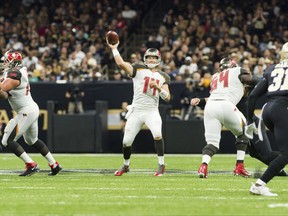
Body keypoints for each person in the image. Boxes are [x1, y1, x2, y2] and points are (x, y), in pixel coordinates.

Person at [106, 38, 171, 177]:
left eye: (154, 58)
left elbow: (168, 97)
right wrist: (114, 48)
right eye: (149, 58)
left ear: (158, 59)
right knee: (126, 141)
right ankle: (126, 165)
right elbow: (121, 63)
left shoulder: (163, 76)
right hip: (136, 110)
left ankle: (161, 164)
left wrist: (159, 88)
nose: (152, 60)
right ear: (145, 58)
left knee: (157, 134)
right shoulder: (138, 69)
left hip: (152, 110)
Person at [190, 57, 259, 178]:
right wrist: (267, 80)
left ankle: (203, 166)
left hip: (211, 107)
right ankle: (239, 167)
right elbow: (252, 79)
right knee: (245, 132)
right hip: (226, 105)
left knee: (212, 143)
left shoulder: (215, 76)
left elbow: (216, 96)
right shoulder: (237, 71)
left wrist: (200, 100)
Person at [0, 50, 62, 176]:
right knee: (31, 140)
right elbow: (4, 95)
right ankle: (54, 165)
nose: (4, 63)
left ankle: (31, 164)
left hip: (26, 111)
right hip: (31, 109)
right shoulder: (18, 71)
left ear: (12, 62)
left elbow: (4, 88)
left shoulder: (14, 74)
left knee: (7, 140)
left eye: (6, 60)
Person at [247, 42, 288, 196]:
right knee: (286, 153)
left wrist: (250, 120)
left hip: (267, 110)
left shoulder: (271, 69)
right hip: (282, 109)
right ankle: (259, 184)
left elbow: (252, 96)